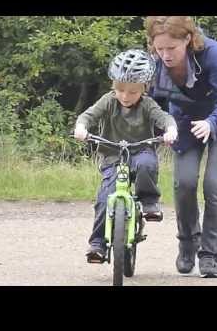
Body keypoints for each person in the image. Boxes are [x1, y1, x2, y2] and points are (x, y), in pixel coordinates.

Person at [145, 16, 217, 278]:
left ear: (188, 40)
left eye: (172, 48)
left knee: (214, 185)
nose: (165, 55)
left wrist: (212, 122)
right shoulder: (154, 64)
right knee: (184, 183)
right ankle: (187, 242)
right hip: (185, 120)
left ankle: (210, 255)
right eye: (160, 49)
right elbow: (148, 101)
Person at [74, 49, 178, 263]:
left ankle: (149, 201)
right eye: (120, 90)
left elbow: (164, 117)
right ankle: (98, 245)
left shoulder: (147, 104)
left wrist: (170, 130)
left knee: (146, 164)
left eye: (132, 92)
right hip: (113, 156)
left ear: (144, 88)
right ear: (113, 85)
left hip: (141, 151)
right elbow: (88, 115)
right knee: (105, 198)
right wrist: (81, 127)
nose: (125, 96)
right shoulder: (108, 101)